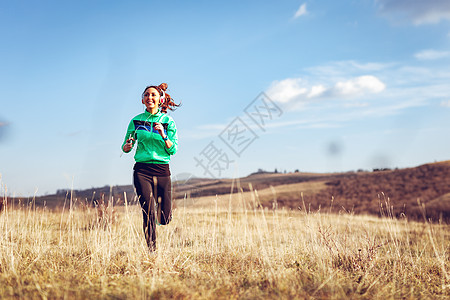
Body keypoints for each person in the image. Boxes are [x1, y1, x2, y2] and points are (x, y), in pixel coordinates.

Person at [122, 83, 179, 251]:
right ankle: (151, 250)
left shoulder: (168, 121)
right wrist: (127, 146)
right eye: (146, 95)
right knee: (147, 210)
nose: (150, 97)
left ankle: (161, 218)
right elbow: (125, 147)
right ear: (142, 100)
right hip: (142, 170)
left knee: (165, 217)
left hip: (162, 170)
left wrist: (163, 135)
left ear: (160, 100)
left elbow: (173, 149)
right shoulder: (136, 121)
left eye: (153, 95)